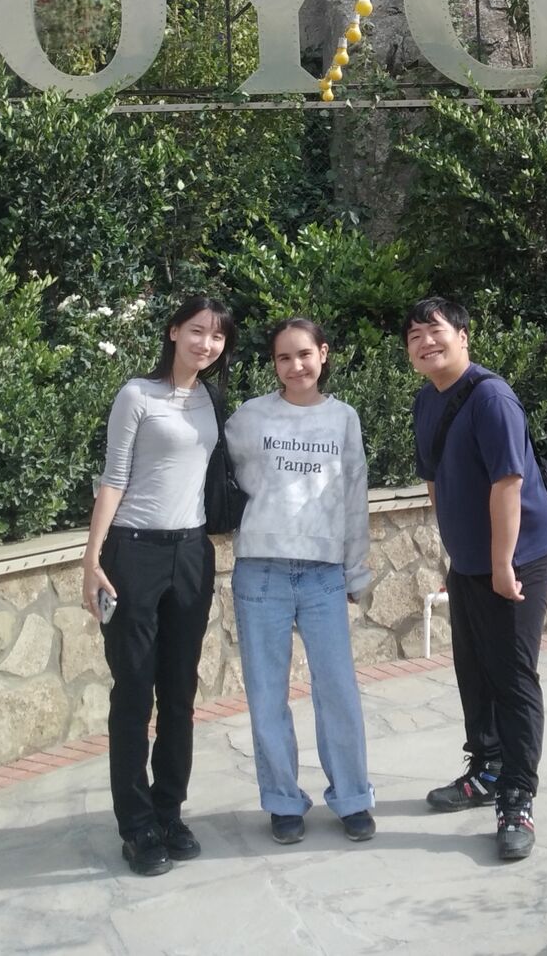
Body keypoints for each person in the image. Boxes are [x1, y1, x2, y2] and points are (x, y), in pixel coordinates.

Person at [83, 294, 236, 877]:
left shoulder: (211, 398)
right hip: (134, 552)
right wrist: (92, 559)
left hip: (192, 553)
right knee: (133, 691)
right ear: (174, 332)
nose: (206, 344)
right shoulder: (136, 395)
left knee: (178, 692)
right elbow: (114, 476)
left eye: (217, 337)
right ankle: (137, 824)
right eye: (197, 331)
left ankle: (169, 810)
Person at [407, 295, 547, 861]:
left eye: (436, 330)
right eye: (415, 335)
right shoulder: (427, 401)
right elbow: (435, 483)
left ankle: (518, 797)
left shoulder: (491, 397)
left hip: (518, 557)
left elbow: (508, 484)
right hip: (471, 559)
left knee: (512, 677)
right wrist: (458, 557)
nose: (425, 341)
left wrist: (499, 565)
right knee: (472, 669)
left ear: (464, 336)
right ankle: (489, 770)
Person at [224, 317, 377, 846]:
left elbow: (354, 497)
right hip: (261, 569)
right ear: (274, 364)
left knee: (337, 690)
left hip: (322, 575)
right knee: (267, 694)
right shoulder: (249, 417)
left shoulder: (343, 419)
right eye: (284, 358)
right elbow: (226, 474)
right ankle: (283, 802)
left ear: (323, 354)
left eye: (305, 354)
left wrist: (356, 568)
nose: (296, 366)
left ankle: (353, 797)